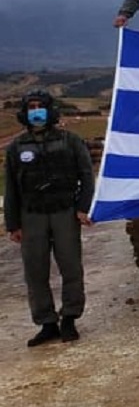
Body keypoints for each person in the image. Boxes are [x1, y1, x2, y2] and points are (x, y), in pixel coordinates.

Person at [4, 90, 95, 346]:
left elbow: (86, 176)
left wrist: (83, 208)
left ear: (50, 110)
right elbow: (11, 188)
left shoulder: (70, 141)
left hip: (64, 211)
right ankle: (46, 322)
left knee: (70, 266)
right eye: (31, 107)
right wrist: (13, 224)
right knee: (35, 271)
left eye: (40, 106)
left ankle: (69, 318)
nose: (36, 111)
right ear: (25, 113)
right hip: (31, 215)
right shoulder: (16, 147)